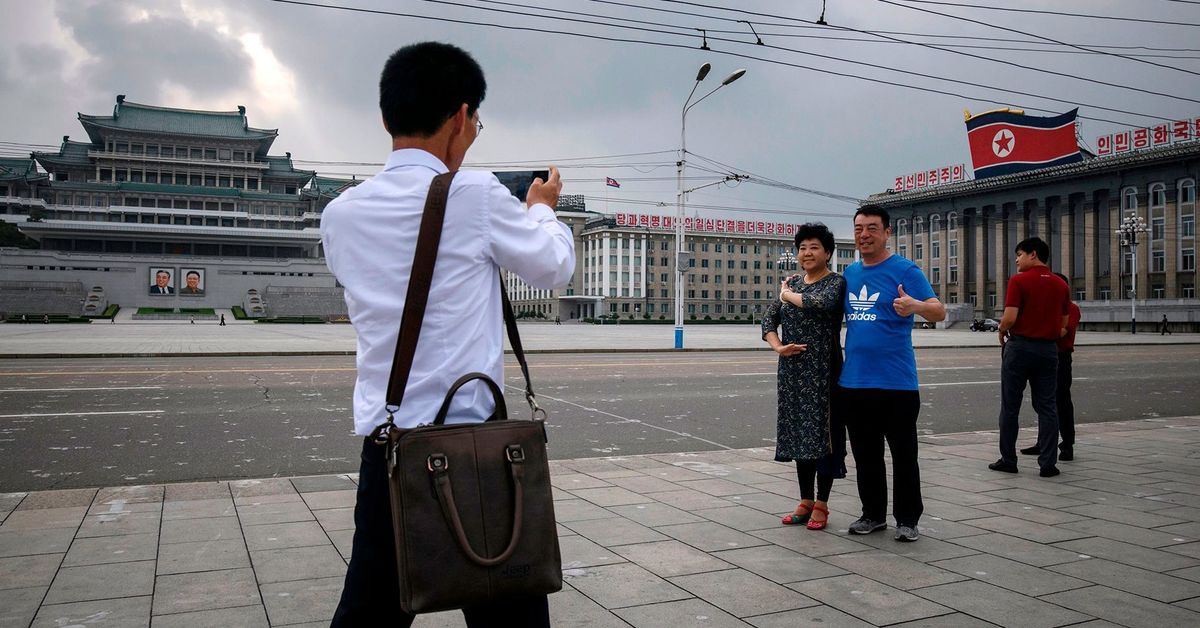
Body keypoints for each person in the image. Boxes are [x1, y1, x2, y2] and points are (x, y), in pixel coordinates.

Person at [320, 42, 574, 627]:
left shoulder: (340, 214)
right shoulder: (477, 195)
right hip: (474, 454)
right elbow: (553, 266)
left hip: (388, 451)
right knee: (508, 613)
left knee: (369, 612)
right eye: (477, 120)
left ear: (386, 118)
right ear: (461, 116)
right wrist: (542, 208)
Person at [839, 204, 945, 543]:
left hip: (897, 383)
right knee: (866, 454)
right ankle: (872, 514)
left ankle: (908, 519)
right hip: (854, 382)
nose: (864, 234)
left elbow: (938, 310)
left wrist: (914, 306)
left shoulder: (905, 270)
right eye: (859, 228)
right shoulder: (850, 275)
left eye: (871, 228)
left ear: (887, 232)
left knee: (903, 454)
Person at [762, 223, 846, 531]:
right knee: (799, 434)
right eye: (802, 248)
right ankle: (805, 500)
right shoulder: (794, 282)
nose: (807, 253)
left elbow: (818, 303)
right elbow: (768, 318)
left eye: (814, 247)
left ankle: (822, 503)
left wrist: (787, 295)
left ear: (827, 253)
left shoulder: (835, 282)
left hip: (824, 372)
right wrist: (779, 347)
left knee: (823, 436)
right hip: (793, 373)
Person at [990, 237, 1070, 478]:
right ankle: (1048, 464)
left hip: (1020, 348)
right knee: (1048, 407)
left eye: (1019, 255)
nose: (1017, 260)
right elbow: (1064, 325)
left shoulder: (1019, 281)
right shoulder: (1061, 285)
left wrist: (1002, 330)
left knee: (1010, 406)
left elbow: (1010, 317)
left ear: (1033, 254)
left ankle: (1008, 459)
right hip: (1048, 350)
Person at [1021, 272, 1080, 461]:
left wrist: (1036, 330)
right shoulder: (1047, 307)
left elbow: (1061, 331)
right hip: (1043, 356)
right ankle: (1044, 443)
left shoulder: (1071, 308)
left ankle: (1067, 445)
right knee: (1041, 403)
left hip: (1060, 357)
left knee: (1061, 402)